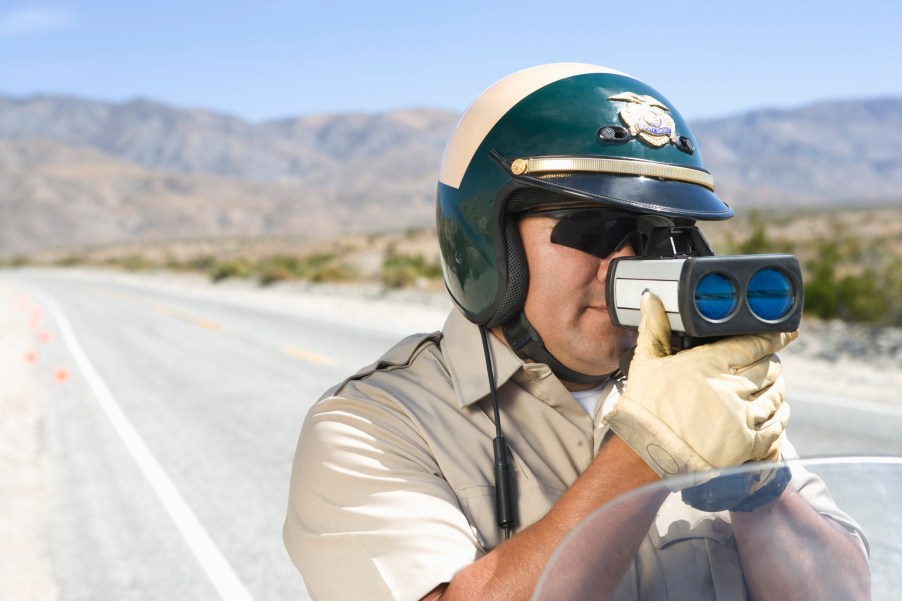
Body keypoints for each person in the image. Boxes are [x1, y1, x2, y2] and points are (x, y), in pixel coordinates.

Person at [283, 63, 869, 600]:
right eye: (593, 228)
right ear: (491, 243)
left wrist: (758, 489)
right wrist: (648, 447)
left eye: (659, 235)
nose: (626, 265)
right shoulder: (373, 425)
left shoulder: (704, 391)